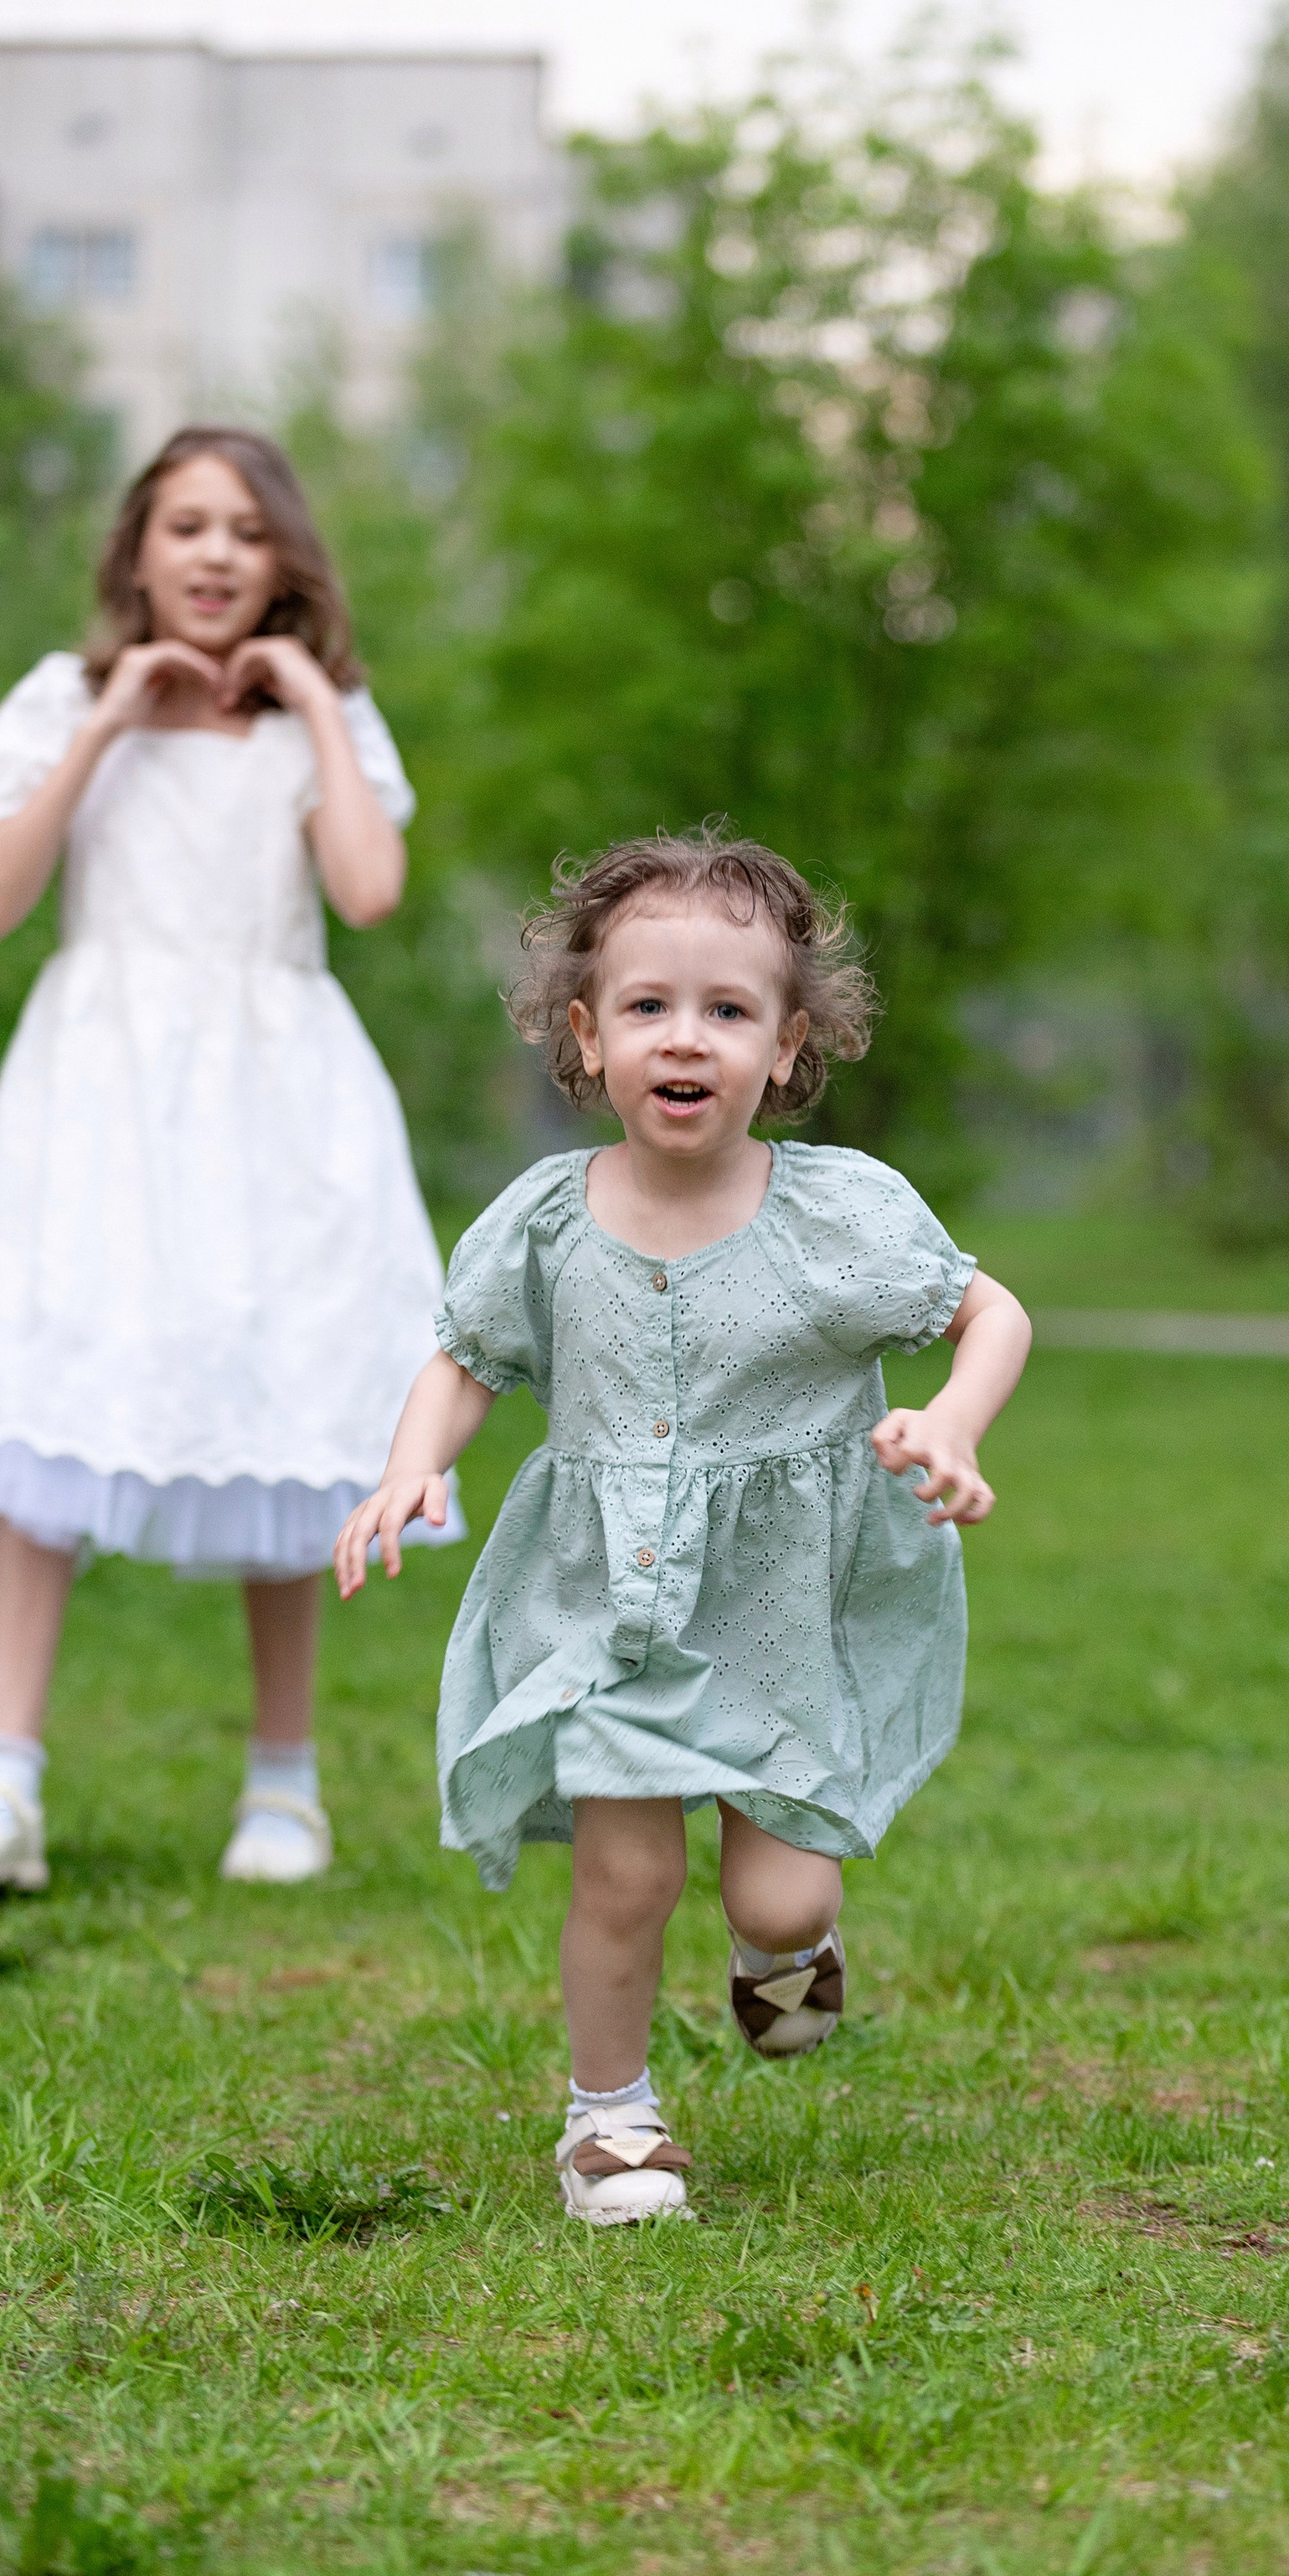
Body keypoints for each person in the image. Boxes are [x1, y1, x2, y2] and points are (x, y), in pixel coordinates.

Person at [335, 826, 1030, 2224]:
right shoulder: (546, 1222)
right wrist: (411, 1465)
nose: (685, 1038)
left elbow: (989, 1312)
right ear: (586, 1037)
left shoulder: (840, 1216)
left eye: (728, 1010)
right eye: (649, 1007)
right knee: (629, 1864)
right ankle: (612, 2122)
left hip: (788, 1610)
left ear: (787, 1048)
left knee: (771, 1899)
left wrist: (950, 1422)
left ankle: (788, 1953)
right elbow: (466, 1359)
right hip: (611, 1608)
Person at [0, 425, 459, 1894]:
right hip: (100, 1087)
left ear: (286, 562)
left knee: (276, 1386)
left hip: (276, 1093)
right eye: (186, 526)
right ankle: (0, 1783)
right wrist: (109, 722)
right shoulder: (65, 701)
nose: (215, 555)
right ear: (137, 550)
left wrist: (315, 705)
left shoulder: (323, 720)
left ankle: (285, 1788)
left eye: (246, 531)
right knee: (46, 1381)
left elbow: (370, 889)